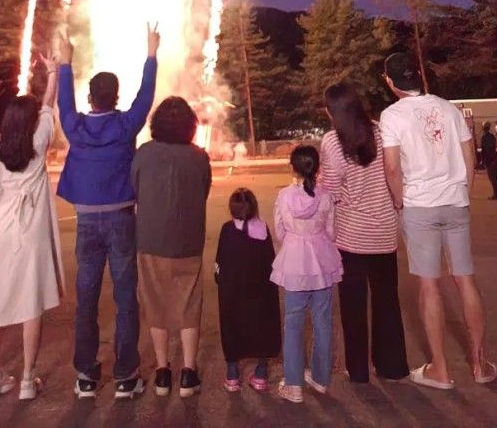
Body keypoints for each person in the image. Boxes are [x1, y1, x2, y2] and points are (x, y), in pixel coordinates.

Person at [380, 52, 497, 389]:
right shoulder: (449, 109)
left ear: (391, 82)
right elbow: (469, 154)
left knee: (429, 285)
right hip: (455, 202)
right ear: (418, 76)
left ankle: (440, 370)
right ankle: (479, 364)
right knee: (465, 279)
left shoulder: (392, 116)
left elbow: (391, 167)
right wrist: (464, 195)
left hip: (419, 206)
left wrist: (402, 203)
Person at [58, 23, 160, 401]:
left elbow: (64, 104)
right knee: (125, 297)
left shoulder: (76, 126)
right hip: (120, 218)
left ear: (91, 97)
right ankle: (125, 376)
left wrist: (64, 65)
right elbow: (146, 98)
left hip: (86, 221)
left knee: (86, 298)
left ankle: (86, 375)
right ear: (115, 97)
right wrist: (151, 55)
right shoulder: (124, 125)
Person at [0, 45, 65, 401]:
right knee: (30, 305)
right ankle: (28, 378)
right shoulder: (38, 141)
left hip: (2, 229)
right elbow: (47, 105)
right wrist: (54, 72)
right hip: (31, 231)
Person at [320, 83, 409, 384]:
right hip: (384, 232)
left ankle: (358, 370)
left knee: (353, 307)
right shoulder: (381, 132)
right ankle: (392, 365)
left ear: (332, 112)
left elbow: (330, 191)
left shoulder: (333, 142)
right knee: (387, 301)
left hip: (350, 237)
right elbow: (396, 170)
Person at [131, 96, 212, 399]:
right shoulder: (199, 157)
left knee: (156, 303)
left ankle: (163, 371)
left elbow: (135, 189)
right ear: (190, 126)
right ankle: (189, 372)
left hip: (151, 239)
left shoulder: (144, 153)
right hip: (188, 240)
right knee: (189, 304)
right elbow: (203, 192)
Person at [271, 145, 343, 404]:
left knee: (293, 323)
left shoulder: (283, 196)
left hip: (295, 262)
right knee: (323, 321)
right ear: (317, 167)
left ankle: (293, 384)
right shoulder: (326, 196)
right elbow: (332, 232)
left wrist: (295, 241)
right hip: (323, 261)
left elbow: (279, 230)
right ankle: (321, 379)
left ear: (293, 167)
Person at [215, 187, 281, 393]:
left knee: (232, 327)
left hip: (232, 292)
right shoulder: (262, 229)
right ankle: (260, 373)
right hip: (260, 292)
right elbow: (271, 261)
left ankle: (232, 374)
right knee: (263, 327)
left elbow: (219, 263)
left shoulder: (227, 230)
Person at [480, 122, 497, 200]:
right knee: (496, 177)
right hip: (493, 159)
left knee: (493, 178)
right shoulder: (492, 136)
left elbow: (485, 150)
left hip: (489, 160)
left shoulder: (485, 137)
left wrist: (483, 160)